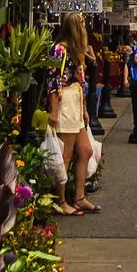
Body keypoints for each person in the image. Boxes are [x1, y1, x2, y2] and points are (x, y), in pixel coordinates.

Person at [47, 13, 100, 215]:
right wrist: (53, 110)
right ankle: (60, 200)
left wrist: (85, 109)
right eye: (82, 25)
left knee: (85, 149)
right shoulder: (59, 50)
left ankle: (79, 196)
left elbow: (81, 82)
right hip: (65, 102)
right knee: (65, 155)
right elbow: (53, 82)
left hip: (76, 101)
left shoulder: (76, 50)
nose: (85, 29)